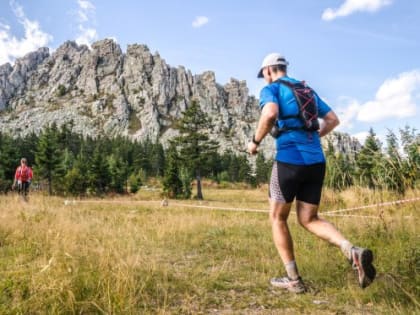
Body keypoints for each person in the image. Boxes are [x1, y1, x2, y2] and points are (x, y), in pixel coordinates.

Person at [247, 53, 376, 293]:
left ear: (267, 71)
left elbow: (270, 114)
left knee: (277, 218)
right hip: (316, 161)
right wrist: (315, 137)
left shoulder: (271, 90)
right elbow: (332, 119)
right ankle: (351, 250)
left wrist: (255, 142)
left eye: (263, 74)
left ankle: (294, 281)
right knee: (309, 219)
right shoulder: (306, 90)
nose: (263, 78)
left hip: (289, 160)